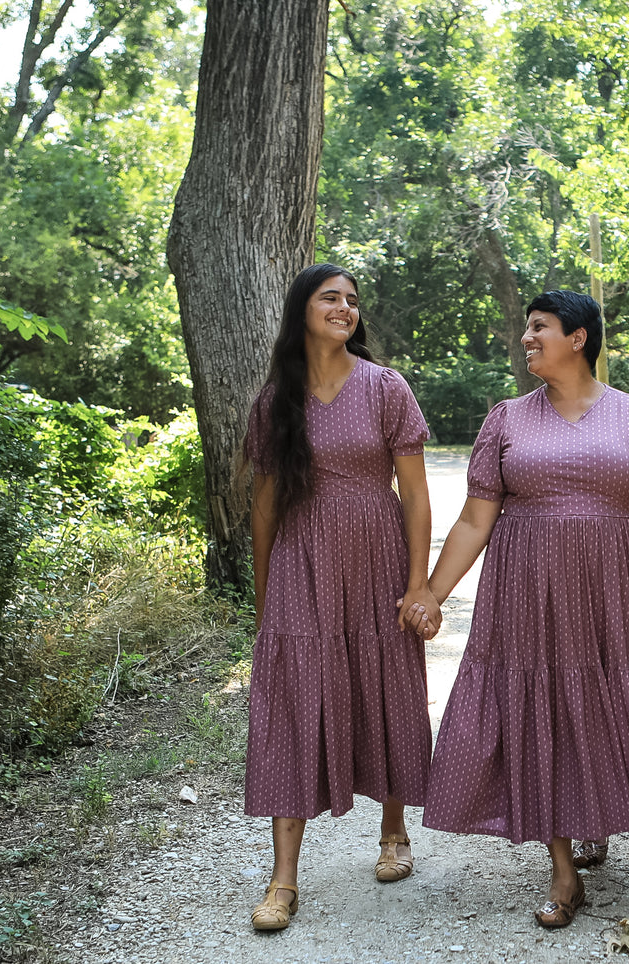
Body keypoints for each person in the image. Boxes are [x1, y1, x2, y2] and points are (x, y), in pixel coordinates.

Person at [419, 290, 629, 929]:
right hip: (526, 591)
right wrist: (430, 593)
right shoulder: (507, 419)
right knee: (540, 703)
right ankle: (563, 871)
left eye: (539, 328)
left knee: (597, 696)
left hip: (612, 595)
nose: (527, 339)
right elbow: (472, 519)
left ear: (579, 338)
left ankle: (593, 811)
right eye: (526, 329)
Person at [243, 263, 440, 932]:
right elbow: (264, 508)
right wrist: (267, 600)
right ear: (302, 309)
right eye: (330, 298)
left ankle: (393, 831)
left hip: (377, 556)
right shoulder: (276, 401)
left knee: (381, 684)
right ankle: (282, 879)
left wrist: (418, 582)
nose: (345, 308)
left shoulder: (385, 388)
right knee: (291, 703)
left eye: (353, 300)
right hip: (302, 560)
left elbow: (414, 494)